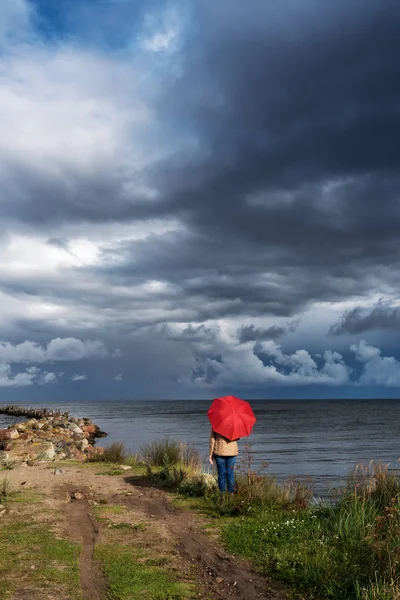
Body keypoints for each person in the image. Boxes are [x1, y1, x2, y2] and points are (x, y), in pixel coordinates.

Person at [209, 428, 239, 493]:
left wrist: (211, 454)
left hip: (219, 452)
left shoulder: (217, 424)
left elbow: (212, 439)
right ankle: (231, 493)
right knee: (230, 473)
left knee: (221, 474)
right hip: (232, 452)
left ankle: (222, 494)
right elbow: (237, 438)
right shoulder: (235, 425)